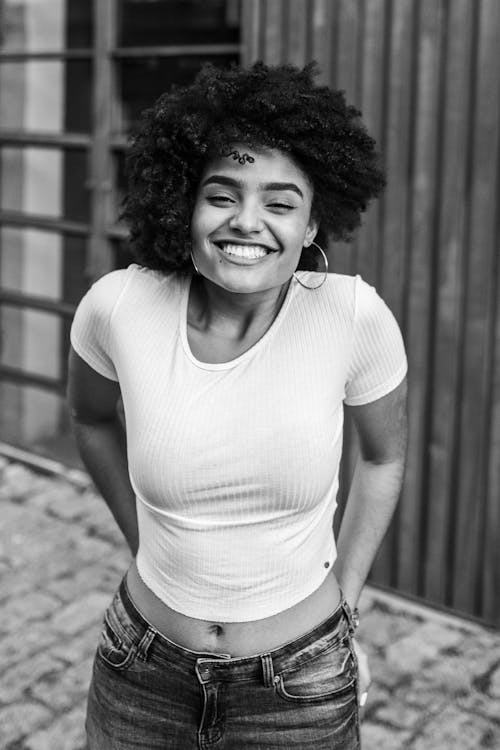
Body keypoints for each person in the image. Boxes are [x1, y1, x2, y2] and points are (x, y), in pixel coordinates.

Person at [68, 61, 407, 749]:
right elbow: (91, 418)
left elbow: (383, 456)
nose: (247, 222)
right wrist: (148, 544)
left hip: (302, 687)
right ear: (185, 205)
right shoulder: (119, 307)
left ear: (313, 225)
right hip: (142, 669)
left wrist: (347, 608)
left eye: (280, 204)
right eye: (222, 195)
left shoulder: (352, 317)